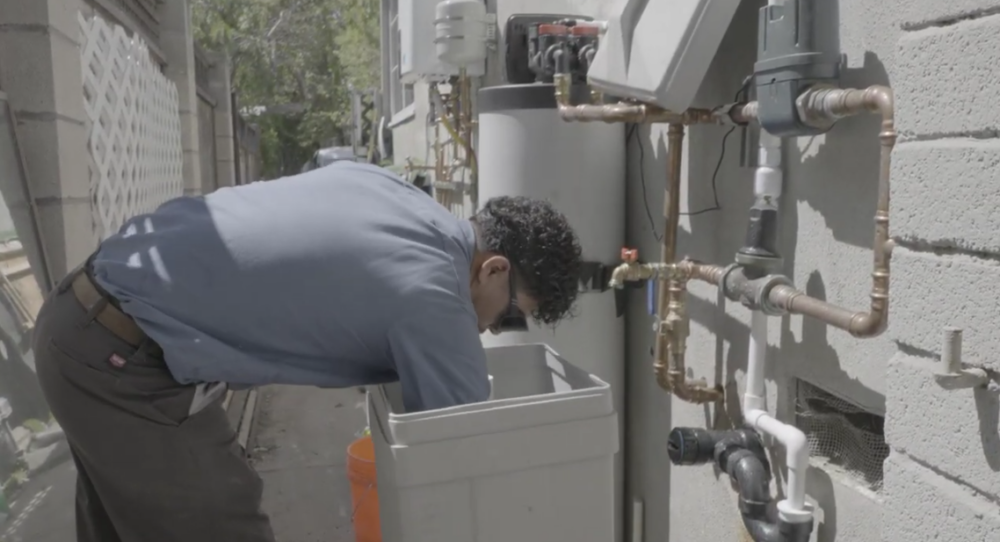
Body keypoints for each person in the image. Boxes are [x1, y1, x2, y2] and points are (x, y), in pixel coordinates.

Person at [31, 161, 583, 542]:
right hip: (119, 358)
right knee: (227, 519)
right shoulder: (438, 295)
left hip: (82, 318)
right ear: (494, 269)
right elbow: (463, 462)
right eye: (510, 314)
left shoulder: (400, 198)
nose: (490, 331)